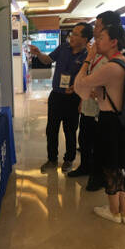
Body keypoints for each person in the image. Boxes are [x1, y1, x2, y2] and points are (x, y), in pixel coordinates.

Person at [74, 20, 125, 224]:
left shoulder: (111, 66)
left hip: (109, 121)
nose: (96, 42)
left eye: (100, 38)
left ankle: (114, 212)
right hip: (121, 121)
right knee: (121, 167)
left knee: (110, 166)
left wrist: (88, 59)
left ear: (113, 42)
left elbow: (79, 86)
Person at [30, 22, 92, 174]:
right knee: (51, 129)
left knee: (70, 131)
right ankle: (52, 159)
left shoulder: (88, 56)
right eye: (72, 33)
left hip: (73, 98)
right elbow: (48, 60)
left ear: (85, 39)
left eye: (76, 34)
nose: (71, 37)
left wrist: (81, 99)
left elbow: (89, 80)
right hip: (56, 95)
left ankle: (69, 160)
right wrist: (39, 53)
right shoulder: (63, 48)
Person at [67, 12, 110, 190]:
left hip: (101, 109)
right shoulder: (94, 52)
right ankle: (85, 167)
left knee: (97, 144)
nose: (95, 29)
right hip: (88, 106)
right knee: (84, 139)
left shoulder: (110, 55)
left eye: (98, 25)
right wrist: (82, 97)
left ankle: (98, 176)